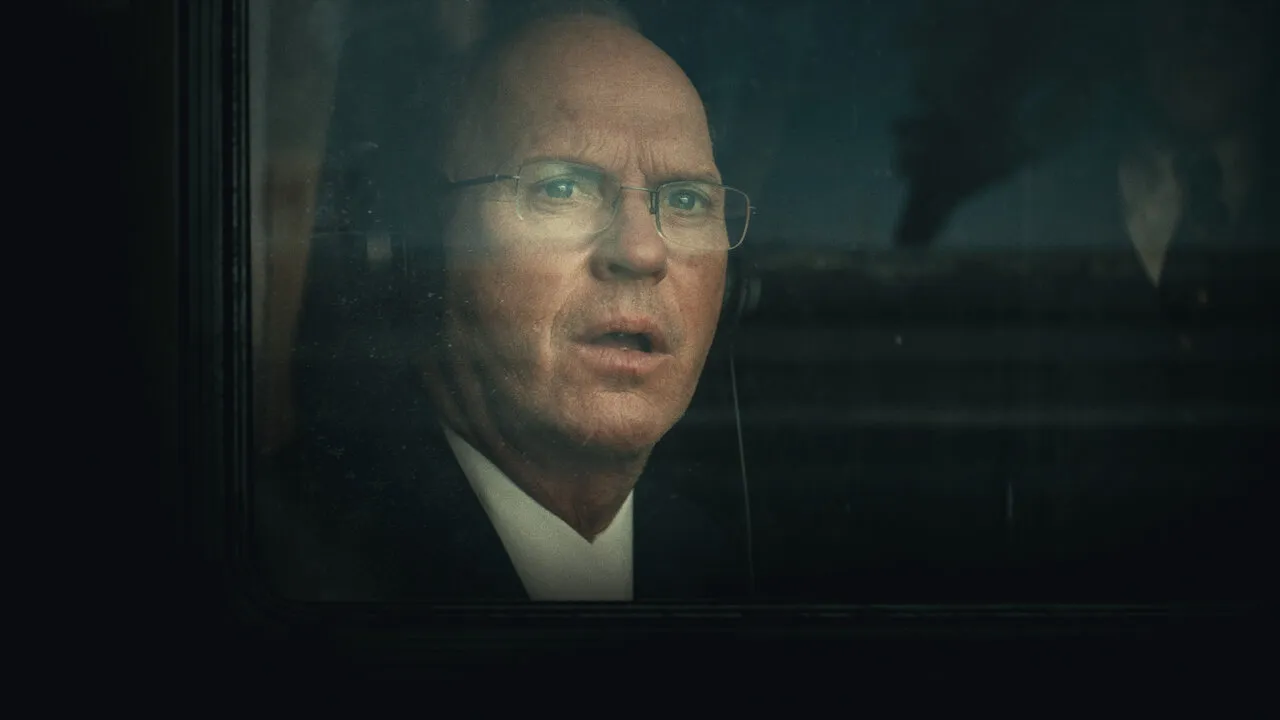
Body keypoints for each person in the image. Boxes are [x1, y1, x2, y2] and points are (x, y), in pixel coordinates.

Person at [256, 1, 754, 602]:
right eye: (562, 187)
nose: (642, 252)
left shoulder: (728, 570)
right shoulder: (271, 561)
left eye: (687, 201)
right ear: (420, 251)